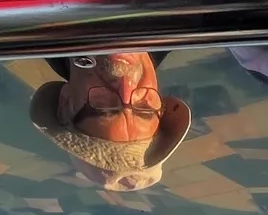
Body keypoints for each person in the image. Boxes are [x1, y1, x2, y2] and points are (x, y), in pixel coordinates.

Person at [28, 51, 191, 191]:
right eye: (144, 107)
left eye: (102, 105)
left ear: (65, 103)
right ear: (160, 105)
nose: (126, 86)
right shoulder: (192, 21)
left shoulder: (26, 25)